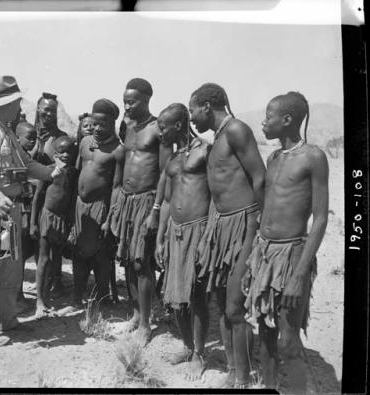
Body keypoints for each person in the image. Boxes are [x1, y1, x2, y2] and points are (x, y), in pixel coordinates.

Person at [0, 75, 65, 347]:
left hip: (4, 212)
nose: (20, 106)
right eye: (16, 101)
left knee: (7, 268)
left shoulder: (5, 129)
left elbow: (26, 163)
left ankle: (5, 320)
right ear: (5, 103)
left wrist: (51, 172)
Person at [242, 92, 328, 393]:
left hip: (292, 255)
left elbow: (319, 219)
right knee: (265, 332)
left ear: (287, 120)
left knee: (288, 342)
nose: (264, 122)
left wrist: (298, 275)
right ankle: (268, 386)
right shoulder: (274, 157)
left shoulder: (313, 157)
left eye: (269, 116)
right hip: (264, 253)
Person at [190, 83, 266, 388]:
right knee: (223, 304)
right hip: (221, 227)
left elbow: (260, 177)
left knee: (236, 306)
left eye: (193, 108)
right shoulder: (217, 138)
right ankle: (233, 371)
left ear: (207, 106)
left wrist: (259, 231)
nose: (192, 117)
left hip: (244, 225)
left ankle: (244, 378)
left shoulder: (236, 130)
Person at [106, 78, 172, 343]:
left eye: (131, 102)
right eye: (124, 101)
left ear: (146, 100)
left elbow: (166, 172)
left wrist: (156, 209)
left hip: (147, 201)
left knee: (141, 262)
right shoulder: (127, 126)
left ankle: (146, 324)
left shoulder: (159, 130)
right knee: (128, 262)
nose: (126, 106)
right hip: (127, 200)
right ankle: (135, 315)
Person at [154, 103, 212, 380]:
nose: (159, 132)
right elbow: (166, 201)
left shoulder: (205, 151)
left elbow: (216, 197)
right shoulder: (173, 160)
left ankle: (200, 353)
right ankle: (188, 346)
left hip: (197, 230)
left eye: (163, 127)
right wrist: (160, 239)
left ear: (178, 125)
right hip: (174, 233)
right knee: (175, 297)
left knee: (197, 296)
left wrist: (207, 237)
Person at [69, 99, 123, 305]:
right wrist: (70, 211)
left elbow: (117, 187)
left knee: (100, 255)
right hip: (79, 206)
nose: (98, 129)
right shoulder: (84, 143)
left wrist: (110, 217)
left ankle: (103, 298)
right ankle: (76, 297)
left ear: (113, 124)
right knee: (78, 253)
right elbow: (77, 175)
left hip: (100, 207)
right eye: (95, 123)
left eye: (104, 124)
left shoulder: (117, 150)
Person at [32, 135, 78, 318]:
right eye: (61, 151)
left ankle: (51, 294)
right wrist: (33, 224)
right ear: (55, 153)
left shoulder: (74, 173)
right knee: (44, 259)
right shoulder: (49, 171)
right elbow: (37, 198)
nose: (65, 155)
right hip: (47, 217)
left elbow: (72, 198)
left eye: (69, 151)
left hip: (62, 219)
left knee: (56, 258)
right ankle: (39, 302)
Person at [31, 92, 68, 295]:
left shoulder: (60, 139)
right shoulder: (28, 134)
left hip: (48, 197)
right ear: (38, 109)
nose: (49, 114)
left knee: (51, 243)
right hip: (27, 195)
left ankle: (55, 281)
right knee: (30, 241)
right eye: (46, 110)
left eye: (53, 111)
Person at [14, 121, 39, 305]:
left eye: (35, 138)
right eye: (29, 138)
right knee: (18, 255)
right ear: (17, 138)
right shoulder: (15, 158)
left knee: (25, 252)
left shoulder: (27, 157)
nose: (32, 141)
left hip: (30, 211)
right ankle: (17, 295)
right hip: (21, 212)